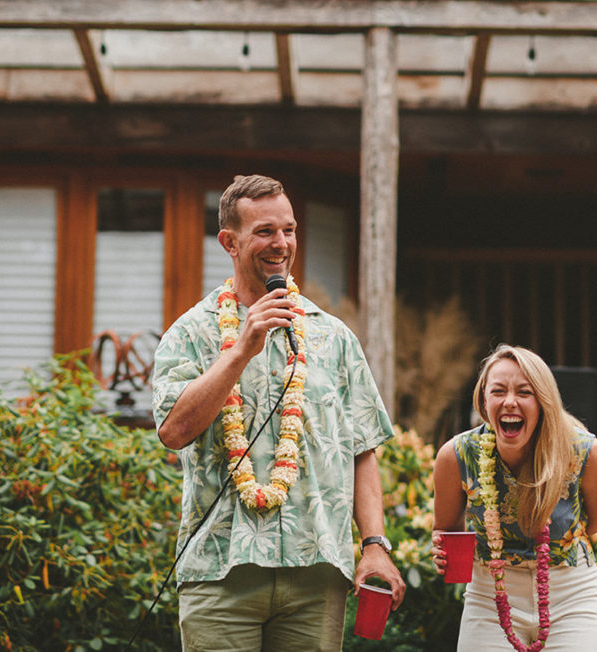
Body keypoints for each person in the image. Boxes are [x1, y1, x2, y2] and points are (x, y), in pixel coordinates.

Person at [151, 174, 406, 652]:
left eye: (289, 230)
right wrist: (240, 351)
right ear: (230, 241)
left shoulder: (333, 336)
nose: (281, 243)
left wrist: (374, 544)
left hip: (315, 574)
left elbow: (362, 449)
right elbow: (173, 430)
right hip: (220, 570)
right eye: (265, 231)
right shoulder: (189, 334)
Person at [432, 344, 597, 652]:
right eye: (498, 391)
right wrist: (443, 550)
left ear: (544, 401)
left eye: (524, 392)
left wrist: (563, 537)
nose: (509, 402)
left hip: (570, 593)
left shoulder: (584, 452)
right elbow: (447, 527)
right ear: (483, 400)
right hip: (489, 595)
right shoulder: (456, 456)